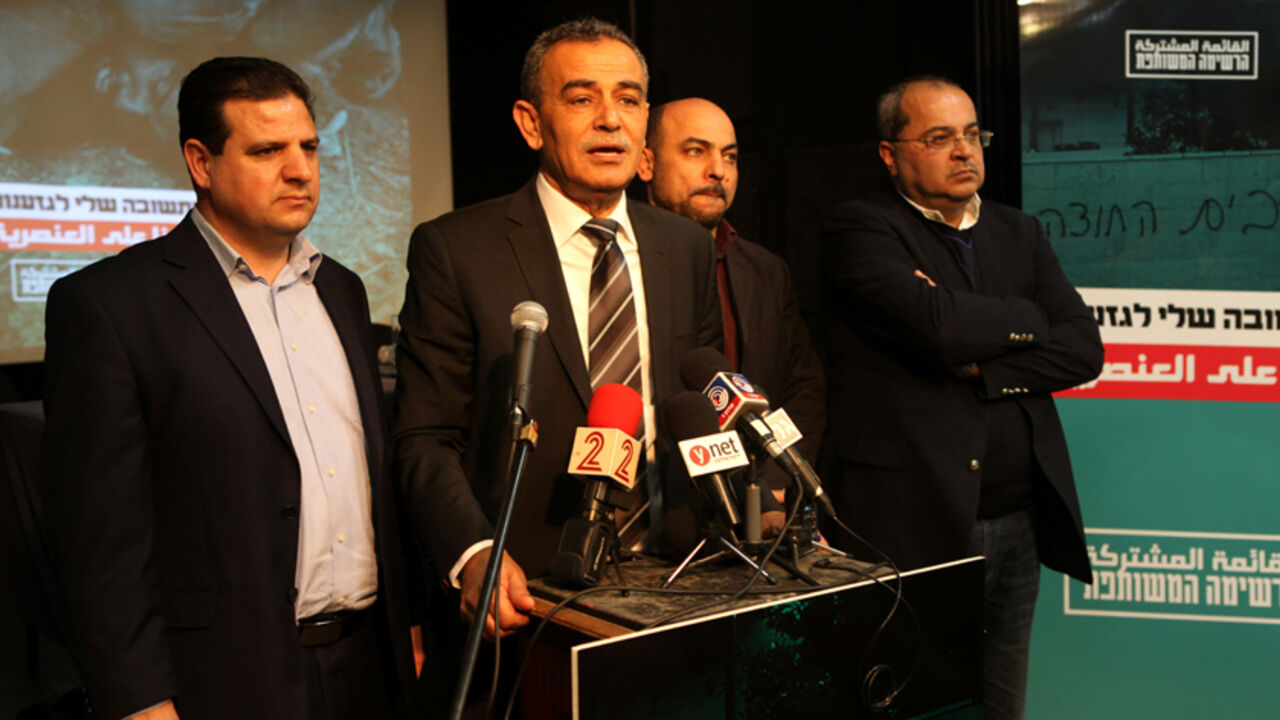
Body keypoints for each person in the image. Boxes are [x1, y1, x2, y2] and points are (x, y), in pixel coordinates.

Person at [40, 57, 414, 720]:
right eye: (267, 151)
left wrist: (405, 624)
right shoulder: (110, 305)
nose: (299, 170)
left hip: (369, 669)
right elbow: (98, 543)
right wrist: (139, 700)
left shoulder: (343, 289)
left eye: (308, 148)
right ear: (200, 162)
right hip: (221, 682)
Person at [393, 18, 721, 641]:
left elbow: (704, 404)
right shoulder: (457, 249)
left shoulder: (686, 247)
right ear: (531, 123)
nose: (610, 120)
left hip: (680, 579)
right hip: (531, 598)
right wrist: (473, 551)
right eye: (581, 99)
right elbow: (424, 438)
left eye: (628, 100)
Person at [820, 76, 1103, 720]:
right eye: (940, 137)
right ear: (890, 154)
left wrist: (984, 368)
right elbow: (937, 326)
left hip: (1018, 518)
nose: (964, 150)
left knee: (1001, 704)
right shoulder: (860, 227)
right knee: (912, 701)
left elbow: (1083, 349)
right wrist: (1029, 318)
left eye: (973, 134)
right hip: (911, 516)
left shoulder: (1019, 231)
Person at [638, 97, 825, 499]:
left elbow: (802, 388)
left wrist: (774, 484)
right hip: (653, 500)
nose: (718, 170)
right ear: (645, 163)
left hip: (753, 499)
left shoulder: (766, 270)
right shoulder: (620, 262)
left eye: (730, 156)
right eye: (695, 151)